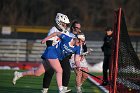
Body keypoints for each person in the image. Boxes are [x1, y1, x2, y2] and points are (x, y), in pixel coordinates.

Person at [12, 32, 84, 93]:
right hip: (51, 52)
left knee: (37, 73)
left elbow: (77, 60)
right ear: (76, 38)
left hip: (55, 57)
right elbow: (55, 33)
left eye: (82, 42)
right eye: (80, 41)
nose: (80, 43)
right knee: (59, 70)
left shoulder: (77, 48)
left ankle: (19, 74)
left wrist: (79, 66)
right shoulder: (66, 38)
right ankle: (61, 89)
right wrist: (45, 39)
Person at [42, 13, 71, 93]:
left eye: (66, 24)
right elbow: (49, 45)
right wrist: (54, 56)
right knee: (49, 71)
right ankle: (45, 90)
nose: (65, 25)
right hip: (53, 53)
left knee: (67, 70)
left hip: (62, 53)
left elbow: (68, 43)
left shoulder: (66, 32)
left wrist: (69, 53)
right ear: (59, 22)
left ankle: (64, 89)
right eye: (64, 23)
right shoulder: (53, 30)